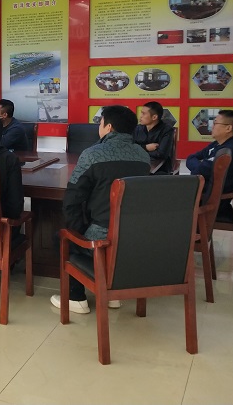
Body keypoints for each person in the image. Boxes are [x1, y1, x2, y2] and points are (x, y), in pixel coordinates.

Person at [50, 105, 151, 315]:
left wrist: (78, 232)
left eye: (101, 122)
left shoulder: (93, 155)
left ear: (109, 127)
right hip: (133, 237)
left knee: (63, 238)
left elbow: (73, 199)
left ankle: (76, 298)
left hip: (102, 237)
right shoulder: (142, 155)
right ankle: (112, 294)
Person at [186, 110, 233, 214]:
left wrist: (197, 167)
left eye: (215, 123)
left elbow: (200, 170)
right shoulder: (218, 144)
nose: (211, 126)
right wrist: (198, 167)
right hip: (201, 191)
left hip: (209, 201)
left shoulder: (230, 150)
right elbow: (191, 157)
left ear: (228, 128)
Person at [133, 101, 174, 174]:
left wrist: (139, 151)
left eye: (143, 113)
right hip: (139, 163)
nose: (140, 116)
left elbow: (161, 153)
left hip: (160, 167)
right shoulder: (137, 128)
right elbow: (131, 148)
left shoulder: (167, 130)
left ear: (154, 117)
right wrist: (146, 147)